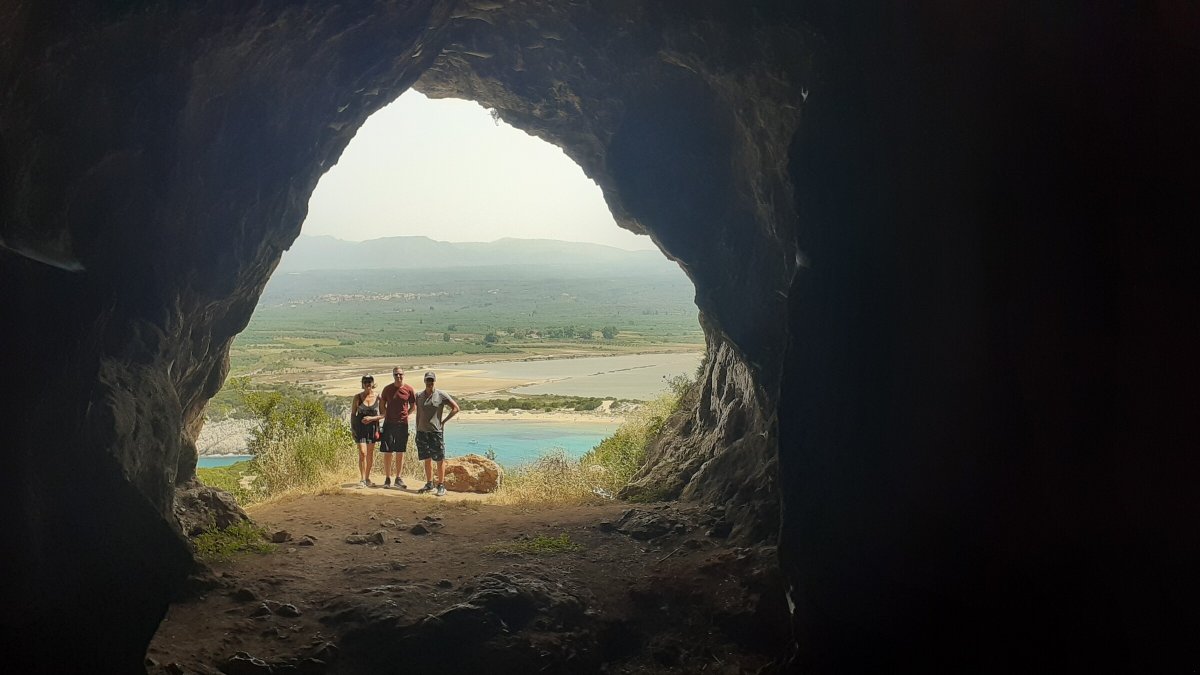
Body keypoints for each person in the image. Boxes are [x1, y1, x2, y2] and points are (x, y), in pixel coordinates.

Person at [413, 371, 459, 497]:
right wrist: (417, 428)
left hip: (435, 432)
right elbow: (418, 414)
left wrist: (443, 422)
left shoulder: (441, 395)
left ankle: (441, 485)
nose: (429, 382)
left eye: (431, 380)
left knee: (439, 459)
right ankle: (429, 483)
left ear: (434, 381)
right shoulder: (419, 396)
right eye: (427, 380)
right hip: (422, 432)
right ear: (424, 381)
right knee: (426, 459)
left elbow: (456, 408)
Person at [378, 366, 416, 489]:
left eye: (400, 374)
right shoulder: (387, 389)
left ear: (403, 375)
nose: (398, 376)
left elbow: (413, 405)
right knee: (388, 451)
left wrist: (406, 415)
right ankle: (387, 478)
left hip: (402, 424)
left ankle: (398, 478)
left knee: (400, 450)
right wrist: (385, 414)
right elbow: (382, 403)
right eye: (396, 374)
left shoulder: (409, 389)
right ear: (393, 376)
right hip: (389, 423)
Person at [350, 375, 383, 488]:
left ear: (373, 383)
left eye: (369, 381)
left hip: (373, 429)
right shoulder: (357, 397)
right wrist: (353, 429)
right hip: (360, 428)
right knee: (363, 453)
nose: (367, 384)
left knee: (370, 454)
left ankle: (367, 478)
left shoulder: (378, 397)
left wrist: (372, 419)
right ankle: (362, 479)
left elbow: (384, 414)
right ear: (362, 384)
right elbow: (353, 414)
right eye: (365, 382)